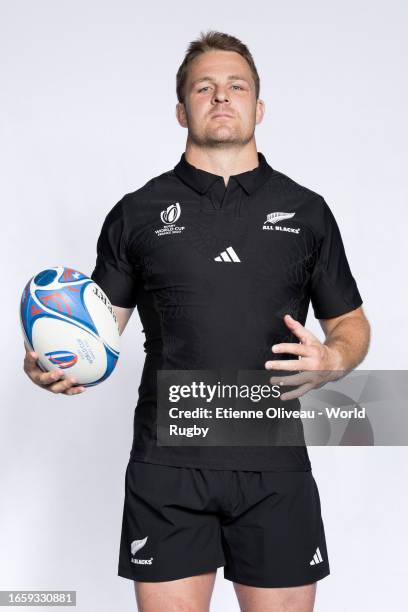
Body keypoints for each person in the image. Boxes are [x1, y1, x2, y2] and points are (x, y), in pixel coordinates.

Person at [24, 30, 370, 612]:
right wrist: (60, 364)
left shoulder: (308, 212)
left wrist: (334, 358)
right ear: (181, 109)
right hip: (168, 467)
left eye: (236, 86)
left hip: (273, 464)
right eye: (204, 87)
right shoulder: (137, 213)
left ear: (258, 107)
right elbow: (96, 332)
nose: (221, 97)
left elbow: (352, 324)